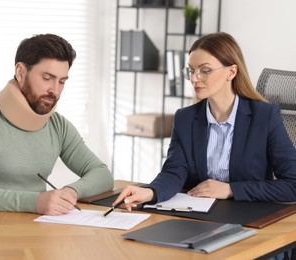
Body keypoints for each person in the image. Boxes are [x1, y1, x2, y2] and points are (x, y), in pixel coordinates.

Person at [113, 32, 296, 211]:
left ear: (231, 72)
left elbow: (293, 185)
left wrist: (231, 189)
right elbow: (174, 171)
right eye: (191, 71)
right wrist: (149, 192)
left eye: (205, 70)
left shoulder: (264, 116)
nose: (194, 78)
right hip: (198, 217)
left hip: (247, 218)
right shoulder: (185, 118)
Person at [0, 33, 114, 216]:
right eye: (47, 78)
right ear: (20, 72)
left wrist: (70, 192)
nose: (55, 90)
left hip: (31, 230)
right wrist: (35, 202)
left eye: (62, 81)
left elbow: (102, 174)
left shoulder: (58, 126)